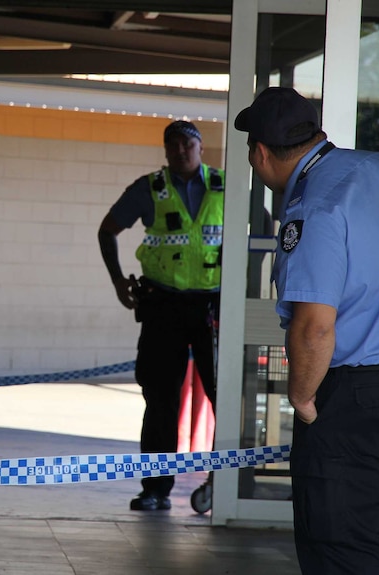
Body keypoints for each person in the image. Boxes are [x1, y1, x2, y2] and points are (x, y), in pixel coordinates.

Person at [235, 86, 379, 574]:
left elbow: (314, 328)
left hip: (360, 399)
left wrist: (304, 399)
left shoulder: (314, 205)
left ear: (261, 153)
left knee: (344, 549)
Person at [97, 120, 223, 511]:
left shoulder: (226, 186)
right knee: (160, 400)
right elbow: (108, 230)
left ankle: (223, 485)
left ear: (200, 147)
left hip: (213, 307)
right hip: (163, 306)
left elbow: (267, 228)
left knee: (226, 396)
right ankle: (155, 489)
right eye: (174, 145)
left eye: (188, 143)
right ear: (166, 151)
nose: (181, 150)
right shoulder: (149, 188)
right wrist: (119, 282)